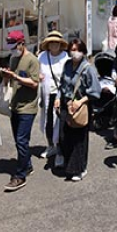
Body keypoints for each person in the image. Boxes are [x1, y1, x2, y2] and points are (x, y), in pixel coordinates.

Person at [0, 30, 40, 192]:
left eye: (14, 46)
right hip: (14, 104)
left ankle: (20, 175)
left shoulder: (32, 60)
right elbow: (10, 77)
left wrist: (16, 77)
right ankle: (27, 165)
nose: (12, 50)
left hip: (28, 107)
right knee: (18, 140)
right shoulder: (13, 58)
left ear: (22, 43)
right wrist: (5, 75)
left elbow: (35, 83)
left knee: (22, 140)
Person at [55, 39, 101, 181]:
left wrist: (80, 101)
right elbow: (62, 83)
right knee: (65, 135)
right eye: (72, 49)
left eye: (78, 50)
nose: (75, 53)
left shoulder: (88, 69)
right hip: (65, 104)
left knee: (79, 138)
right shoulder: (67, 65)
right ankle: (69, 164)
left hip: (80, 106)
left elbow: (95, 92)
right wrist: (57, 98)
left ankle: (80, 168)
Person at [38, 31, 69, 167]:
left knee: (60, 124)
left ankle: (60, 151)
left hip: (60, 95)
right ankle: (50, 145)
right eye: (51, 43)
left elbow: (66, 78)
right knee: (48, 122)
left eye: (56, 43)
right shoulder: (42, 57)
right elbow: (36, 72)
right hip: (46, 93)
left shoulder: (65, 58)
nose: (54, 45)